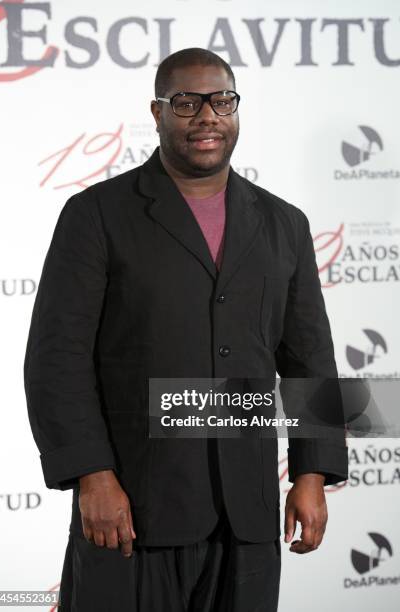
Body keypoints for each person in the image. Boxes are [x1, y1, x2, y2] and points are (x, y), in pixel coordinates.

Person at [24, 47, 348, 611]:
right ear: (156, 113)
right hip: (132, 510)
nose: (207, 116)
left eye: (222, 101)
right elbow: (58, 358)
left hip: (245, 515)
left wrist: (312, 471)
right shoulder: (97, 214)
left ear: (236, 110)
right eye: (186, 102)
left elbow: (309, 359)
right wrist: (91, 475)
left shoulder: (283, 224)